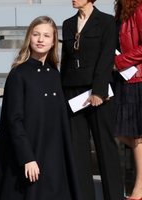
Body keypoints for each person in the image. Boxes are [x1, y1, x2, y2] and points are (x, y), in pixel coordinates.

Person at [0, 16, 81, 200]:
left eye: (46, 36)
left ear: (53, 41)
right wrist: (27, 158)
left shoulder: (56, 75)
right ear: (29, 38)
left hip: (54, 159)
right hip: (29, 159)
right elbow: (14, 121)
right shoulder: (18, 74)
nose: (40, 40)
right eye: (36, 34)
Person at [60, 0, 124, 200]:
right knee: (78, 150)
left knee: (106, 149)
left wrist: (99, 91)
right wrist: (63, 95)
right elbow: (66, 60)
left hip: (97, 93)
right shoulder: (68, 23)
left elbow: (106, 58)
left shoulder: (106, 21)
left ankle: (113, 196)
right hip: (72, 93)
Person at [114, 0, 142, 199]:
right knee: (128, 133)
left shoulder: (139, 8)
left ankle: (139, 189)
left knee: (135, 135)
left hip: (137, 77)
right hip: (126, 78)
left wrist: (119, 61)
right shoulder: (123, 8)